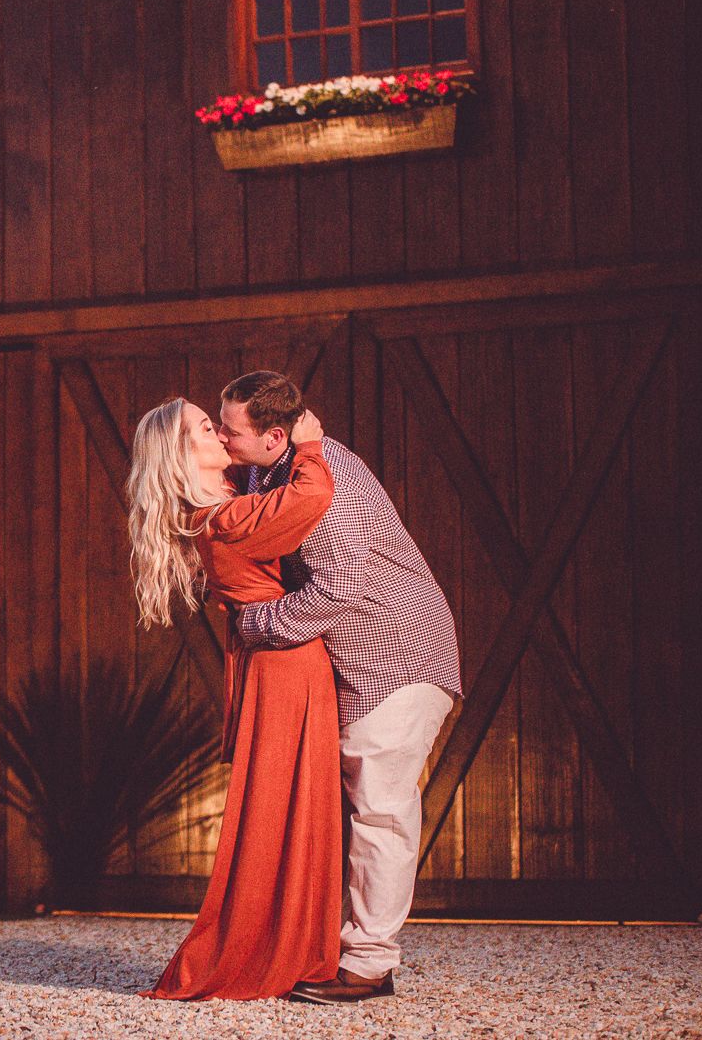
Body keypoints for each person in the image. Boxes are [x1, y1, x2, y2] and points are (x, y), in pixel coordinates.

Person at [218, 370, 464, 1005]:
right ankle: (321, 946)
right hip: (355, 667)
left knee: (381, 811)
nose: (221, 438)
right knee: (350, 810)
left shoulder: (334, 488)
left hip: (397, 660)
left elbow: (339, 590)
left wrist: (254, 623)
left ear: (274, 436)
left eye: (229, 430)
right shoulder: (274, 468)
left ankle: (370, 964)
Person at [126, 396, 340, 1000]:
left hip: (280, 662)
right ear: (182, 453)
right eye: (206, 427)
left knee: (297, 803)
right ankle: (267, 949)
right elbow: (311, 498)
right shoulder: (223, 519)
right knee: (283, 804)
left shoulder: (222, 506)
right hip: (284, 666)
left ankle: (295, 942)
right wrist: (309, 444)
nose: (221, 434)